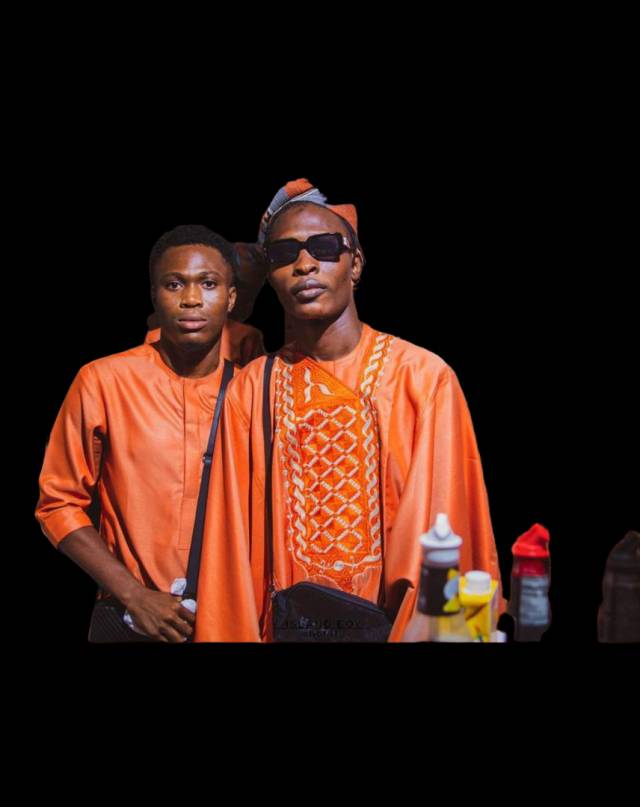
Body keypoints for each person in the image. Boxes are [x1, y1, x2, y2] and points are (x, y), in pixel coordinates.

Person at [193, 179, 505, 642]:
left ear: (355, 263)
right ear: (272, 275)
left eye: (323, 247)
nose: (304, 265)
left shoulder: (421, 378)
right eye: (284, 254)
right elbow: (230, 549)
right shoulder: (253, 388)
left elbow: (446, 525)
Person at [35, 224, 265, 642]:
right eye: (174, 284)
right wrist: (134, 595)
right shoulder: (103, 381)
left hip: (233, 619)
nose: (191, 299)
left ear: (231, 298)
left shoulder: (254, 389)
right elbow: (58, 504)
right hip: (132, 620)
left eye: (208, 284)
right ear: (155, 295)